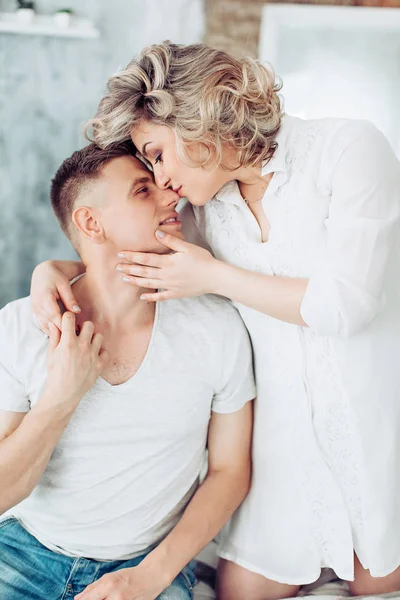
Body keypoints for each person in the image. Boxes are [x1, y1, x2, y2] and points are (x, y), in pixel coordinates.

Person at [30, 42, 400, 600]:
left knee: (380, 577)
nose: (161, 178)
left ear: (197, 112)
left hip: (375, 439)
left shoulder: (349, 149)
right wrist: (51, 269)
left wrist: (214, 278)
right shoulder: (207, 207)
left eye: (157, 153)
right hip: (278, 455)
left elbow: (345, 305)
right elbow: (128, 260)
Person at [0, 142, 255, 600]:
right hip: (22, 551)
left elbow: (230, 471)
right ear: (90, 223)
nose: (169, 197)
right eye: (142, 191)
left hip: (148, 564)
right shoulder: (22, 327)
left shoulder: (216, 326)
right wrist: (61, 397)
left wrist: (149, 577)